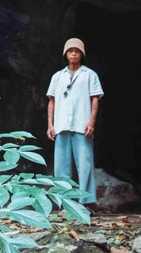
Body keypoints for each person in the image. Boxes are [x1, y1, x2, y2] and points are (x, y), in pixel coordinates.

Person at [46, 38, 104, 207]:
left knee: (85, 164)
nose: (73, 54)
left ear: (82, 54)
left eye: (77, 51)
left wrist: (91, 122)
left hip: (82, 126)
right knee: (61, 167)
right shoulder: (58, 76)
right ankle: (66, 203)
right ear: (65, 54)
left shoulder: (89, 75)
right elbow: (52, 101)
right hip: (61, 126)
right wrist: (50, 124)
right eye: (70, 51)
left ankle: (87, 202)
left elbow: (95, 100)